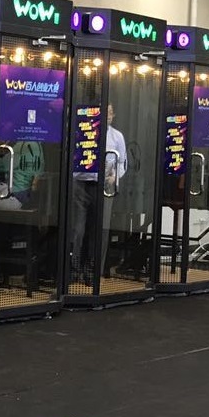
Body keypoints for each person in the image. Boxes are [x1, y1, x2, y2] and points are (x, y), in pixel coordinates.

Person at [69, 103, 128, 283]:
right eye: (103, 112)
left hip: (103, 186)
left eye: (109, 112)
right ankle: (73, 269)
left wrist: (114, 177)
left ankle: (93, 271)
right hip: (81, 184)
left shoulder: (117, 136)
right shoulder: (82, 131)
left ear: (113, 115)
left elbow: (122, 162)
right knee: (77, 229)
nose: (106, 116)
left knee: (100, 230)